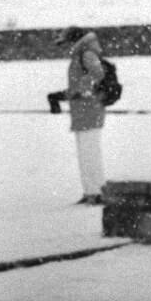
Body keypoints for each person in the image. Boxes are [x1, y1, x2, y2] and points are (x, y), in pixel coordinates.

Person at [47, 26, 107, 206]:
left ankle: (98, 192)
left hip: (89, 110)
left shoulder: (86, 53)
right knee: (85, 154)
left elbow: (98, 74)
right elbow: (82, 84)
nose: (64, 48)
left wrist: (79, 90)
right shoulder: (80, 54)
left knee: (90, 154)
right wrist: (64, 95)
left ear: (74, 40)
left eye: (65, 43)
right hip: (82, 111)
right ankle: (91, 191)